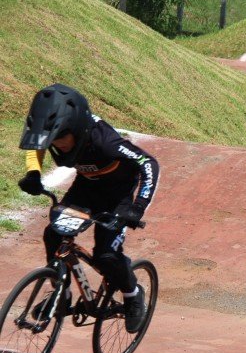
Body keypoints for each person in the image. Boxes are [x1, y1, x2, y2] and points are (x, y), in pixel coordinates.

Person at [18, 83, 159, 334]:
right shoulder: (62, 129)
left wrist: (137, 209)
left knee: (106, 255)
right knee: (54, 234)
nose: (57, 146)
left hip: (118, 197)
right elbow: (38, 144)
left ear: (77, 130)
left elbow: (148, 164)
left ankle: (132, 293)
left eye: (61, 140)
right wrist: (33, 173)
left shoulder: (106, 142)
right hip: (86, 187)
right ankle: (61, 291)